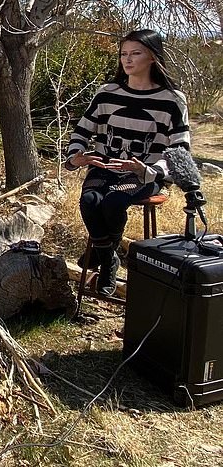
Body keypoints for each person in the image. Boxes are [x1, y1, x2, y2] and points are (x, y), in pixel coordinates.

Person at [64, 29, 190, 296]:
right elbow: (81, 131)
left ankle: (103, 255)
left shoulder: (172, 100)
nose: (127, 60)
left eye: (136, 53)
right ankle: (109, 258)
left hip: (144, 175)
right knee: (89, 200)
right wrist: (76, 156)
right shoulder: (107, 93)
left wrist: (150, 170)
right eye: (123, 54)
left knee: (113, 201)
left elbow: (180, 149)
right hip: (105, 168)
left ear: (153, 58)